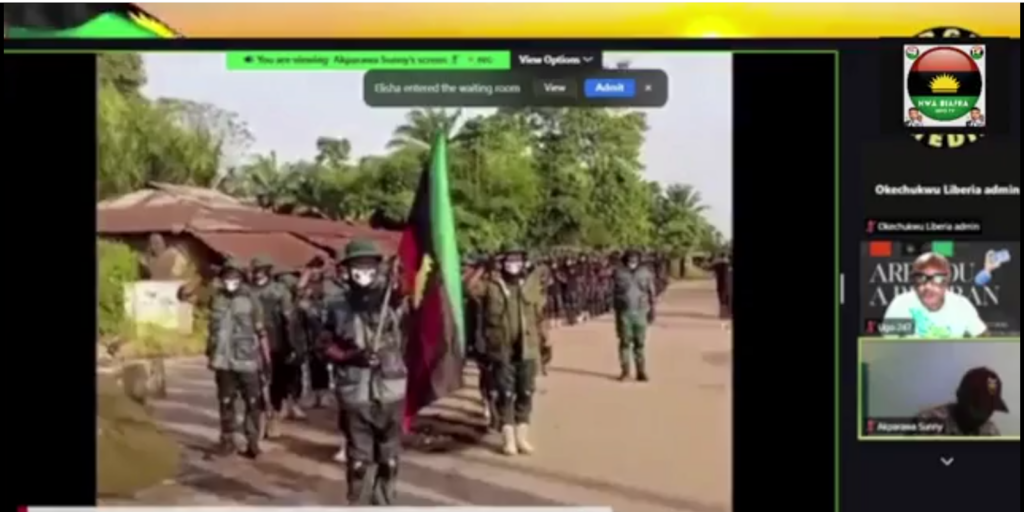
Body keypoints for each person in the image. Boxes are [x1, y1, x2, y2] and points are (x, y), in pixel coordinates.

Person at [323, 239, 407, 504]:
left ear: (378, 268)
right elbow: (324, 345)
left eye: (369, 266)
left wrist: (401, 270)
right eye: (357, 266)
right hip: (354, 392)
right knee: (359, 463)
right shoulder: (335, 305)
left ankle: (384, 503)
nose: (364, 272)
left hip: (391, 390)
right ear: (346, 270)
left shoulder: (390, 300)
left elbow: (408, 290)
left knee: (389, 460)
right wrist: (351, 356)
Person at [469, 245, 545, 455]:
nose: (513, 265)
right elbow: (469, 288)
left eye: (517, 261)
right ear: (502, 263)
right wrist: (483, 268)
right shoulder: (491, 286)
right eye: (509, 261)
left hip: (526, 349)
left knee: (526, 393)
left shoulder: (530, 285)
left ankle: (522, 437)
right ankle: (508, 440)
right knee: (506, 394)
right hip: (501, 349)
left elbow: (538, 317)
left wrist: (544, 347)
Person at [206, 260, 269, 458]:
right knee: (226, 402)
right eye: (226, 277)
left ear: (241, 278)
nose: (230, 281)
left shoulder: (251, 300)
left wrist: (267, 361)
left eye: (234, 277)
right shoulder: (216, 299)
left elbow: (261, 332)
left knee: (253, 402)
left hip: (247, 361)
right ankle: (227, 440)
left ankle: (252, 442)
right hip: (222, 361)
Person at [249, 256, 304, 437]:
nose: (257, 273)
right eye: (255, 269)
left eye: (261, 269)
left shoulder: (279, 291)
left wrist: (292, 345)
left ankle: (273, 419)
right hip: (250, 342)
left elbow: (289, 319)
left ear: (267, 270)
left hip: (276, 343)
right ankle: (257, 420)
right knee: (253, 384)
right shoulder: (246, 291)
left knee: (275, 384)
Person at [883, 252, 986, 338]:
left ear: (947, 281)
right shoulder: (901, 305)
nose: (928, 286)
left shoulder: (961, 306)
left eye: (937, 279)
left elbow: (985, 341)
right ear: (913, 282)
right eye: (920, 278)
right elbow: (887, 348)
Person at [915, 367, 1007, 435]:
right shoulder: (925, 424)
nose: (983, 416)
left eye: (989, 408)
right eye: (977, 406)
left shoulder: (990, 431)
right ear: (959, 396)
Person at [613, 249, 656, 381]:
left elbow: (651, 292)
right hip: (624, 313)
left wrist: (652, 310)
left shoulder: (645, 273)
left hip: (641, 312)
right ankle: (625, 371)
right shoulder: (618, 273)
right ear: (625, 259)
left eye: (635, 258)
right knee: (625, 342)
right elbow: (612, 292)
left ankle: (641, 371)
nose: (632, 261)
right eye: (630, 258)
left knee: (640, 342)